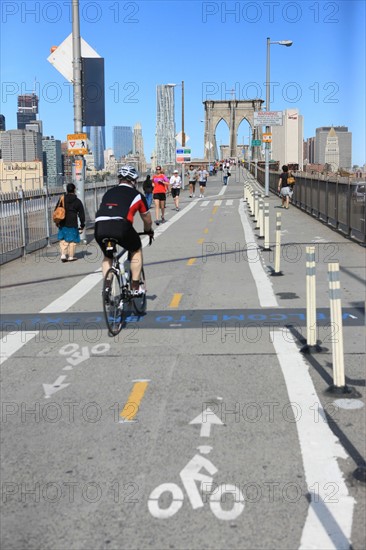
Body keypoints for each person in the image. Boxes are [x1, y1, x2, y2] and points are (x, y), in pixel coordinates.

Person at [94, 165, 153, 295]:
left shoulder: (108, 192)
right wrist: (148, 231)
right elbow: (147, 219)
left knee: (107, 256)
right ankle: (135, 287)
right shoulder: (137, 195)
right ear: (134, 181)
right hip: (120, 226)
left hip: (100, 226)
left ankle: (107, 288)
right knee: (136, 249)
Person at [56, 183, 85, 262]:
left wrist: (57, 221)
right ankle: (71, 256)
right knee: (72, 240)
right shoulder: (77, 201)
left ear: (67, 190)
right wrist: (82, 224)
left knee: (63, 239)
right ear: (74, 190)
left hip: (63, 221)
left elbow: (57, 209)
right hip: (73, 222)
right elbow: (81, 214)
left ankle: (63, 255)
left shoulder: (62, 199)